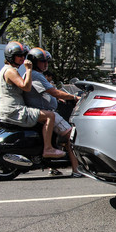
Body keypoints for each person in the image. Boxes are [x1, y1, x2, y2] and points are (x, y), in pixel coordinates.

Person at [0, 41, 65, 158]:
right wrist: (28, 70)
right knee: (49, 116)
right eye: (19, 55)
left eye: (23, 55)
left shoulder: (7, 70)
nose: (22, 58)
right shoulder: (11, 71)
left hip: (7, 109)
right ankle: (48, 148)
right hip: (13, 110)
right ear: (11, 56)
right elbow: (26, 87)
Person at [23, 47, 81, 176]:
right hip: (46, 112)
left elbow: (46, 93)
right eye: (42, 61)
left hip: (43, 111)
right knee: (72, 136)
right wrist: (75, 97)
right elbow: (52, 91)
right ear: (33, 62)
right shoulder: (35, 75)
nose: (45, 64)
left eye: (47, 62)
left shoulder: (33, 74)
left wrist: (59, 98)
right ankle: (77, 169)